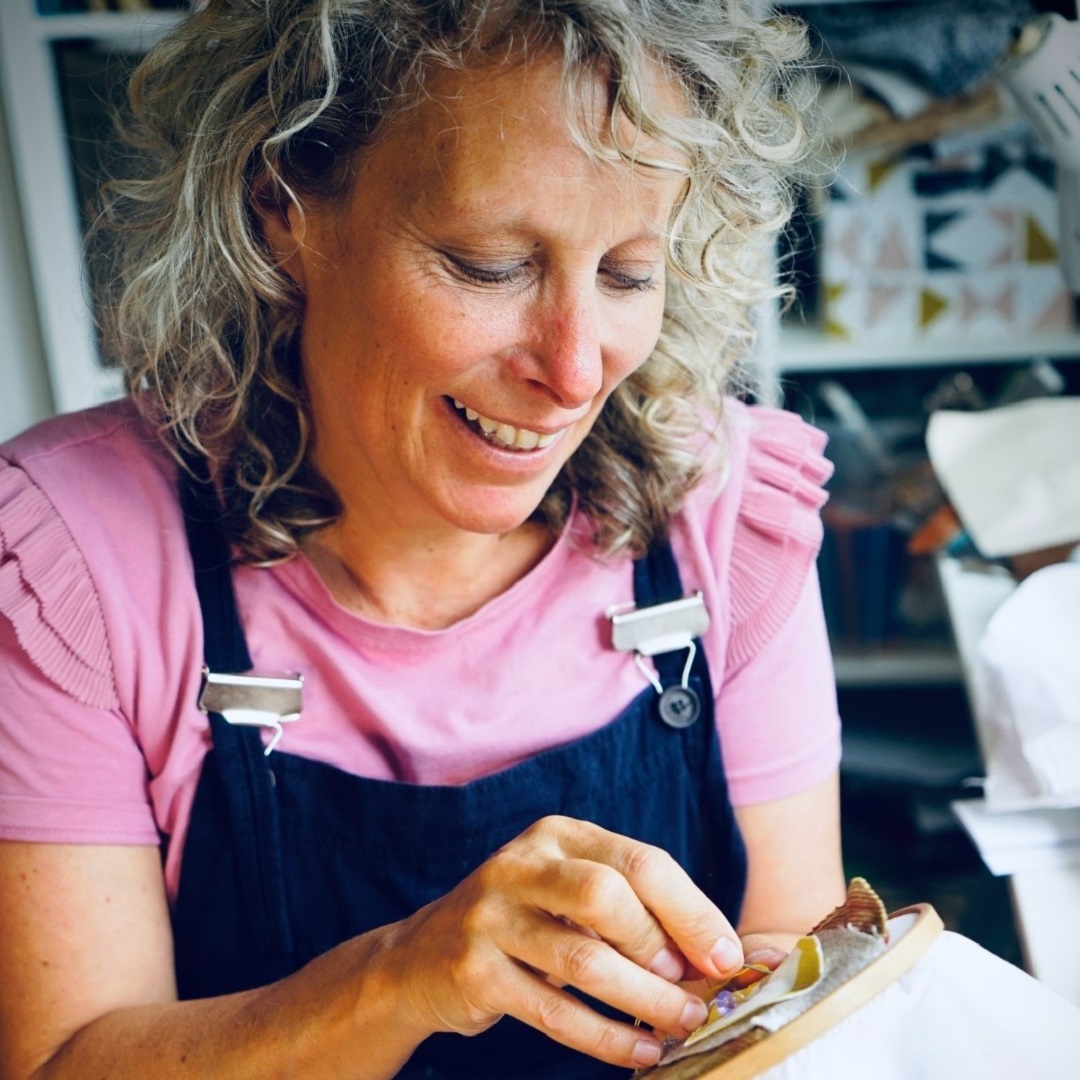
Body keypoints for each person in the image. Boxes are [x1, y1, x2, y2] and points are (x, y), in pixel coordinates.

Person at [0, 2, 849, 1077]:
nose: (577, 369)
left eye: (630, 271)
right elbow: (59, 1063)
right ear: (284, 207)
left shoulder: (723, 515)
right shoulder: (75, 556)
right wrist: (402, 977)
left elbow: (802, 1000)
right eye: (490, 265)